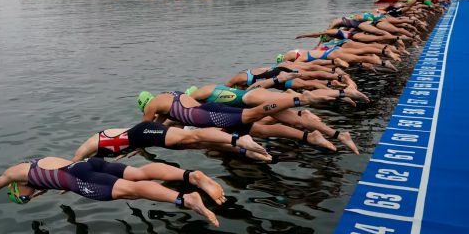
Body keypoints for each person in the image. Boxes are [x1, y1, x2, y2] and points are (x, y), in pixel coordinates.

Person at [0, 156, 223, 227]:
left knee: (131, 191)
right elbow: (51, 177)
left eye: (24, 197)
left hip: (77, 177)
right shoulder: (37, 168)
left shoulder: (15, 174)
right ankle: (190, 177)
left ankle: (185, 199)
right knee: (140, 173)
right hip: (87, 164)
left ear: (17, 188)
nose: (29, 197)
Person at [137, 87, 369, 151]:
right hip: (210, 110)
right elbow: (163, 125)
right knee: (260, 126)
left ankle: (301, 100)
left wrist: (134, 142)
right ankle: (315, 131)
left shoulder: (153, 104)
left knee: (255, 115)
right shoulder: (173, 97)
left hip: (209, 114)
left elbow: (145, 128)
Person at [72, 121, 272, 162]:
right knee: (202, 145)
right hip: (144, 139)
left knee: (193, 137)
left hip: (142, 132)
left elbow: (72, 165)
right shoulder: (97, 153)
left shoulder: (89, 146)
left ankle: (240, 140)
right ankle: (253, 152)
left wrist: (50, 182)